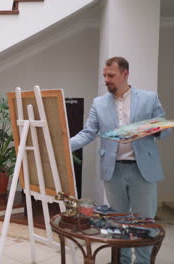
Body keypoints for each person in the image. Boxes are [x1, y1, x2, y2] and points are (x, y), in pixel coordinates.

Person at [70, 56, 170, 264]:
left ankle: (141, 262)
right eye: (104, 75)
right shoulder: (99, 103)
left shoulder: (149, 98)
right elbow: (88, 133)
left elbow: (163, 129)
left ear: (125, 74)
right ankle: (122, 261)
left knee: (144, 222)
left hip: (143, 170)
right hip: (112, 171)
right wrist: (63, 145)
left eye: (111, 75)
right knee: (118, 221)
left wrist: (152, 129)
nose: (106, 79)